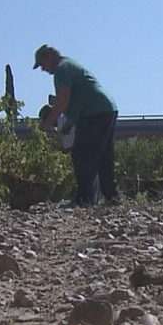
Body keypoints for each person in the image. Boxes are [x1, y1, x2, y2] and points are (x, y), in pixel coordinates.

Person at [34, 44, 120, 207]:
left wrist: (48, 122)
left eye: (42, 64)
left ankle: (85, 199)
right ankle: (112, 197)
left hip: (93, 113)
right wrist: (71, 122)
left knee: (83, 154)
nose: (43, 70)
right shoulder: (69, 65)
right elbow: (79, 96)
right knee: (103, 156)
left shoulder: (61, 69)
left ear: (50, 57)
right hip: (106, 108)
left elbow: (64, 98)